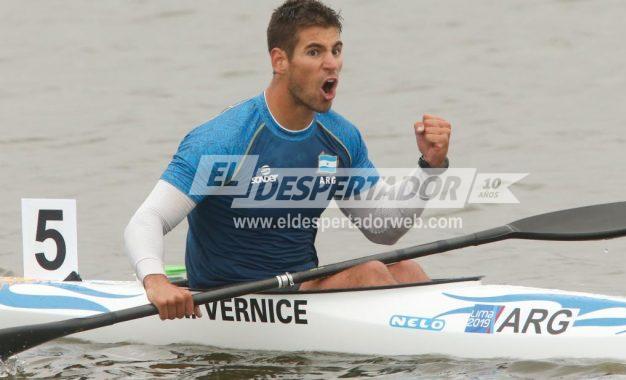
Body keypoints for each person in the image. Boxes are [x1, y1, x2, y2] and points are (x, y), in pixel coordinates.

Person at [124, 0, 452, 320]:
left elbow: (384, 229)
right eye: (315, 52)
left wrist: (430, 167)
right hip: (227, 299)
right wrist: (156, 282)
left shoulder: (340, 138)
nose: (332, 63)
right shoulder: (225, 140)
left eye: (336, 50)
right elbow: (147, 220)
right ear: (280, 60)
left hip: (297, 294)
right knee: (371, 274)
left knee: (408, 270)